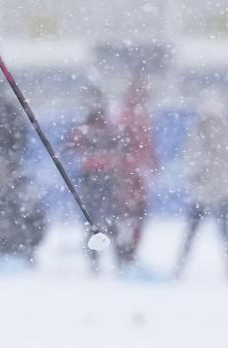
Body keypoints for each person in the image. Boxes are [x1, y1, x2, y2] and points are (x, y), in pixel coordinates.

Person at [173, 92, 228, 279]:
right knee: (196, 232)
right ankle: (180, 268)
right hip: (204, 192)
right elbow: (190, 162)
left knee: (223, 233)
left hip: (221, 191)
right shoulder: (198, 135)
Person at [0, 74, 47, 264]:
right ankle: (2, 251)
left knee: (15, 210)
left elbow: (18, 138)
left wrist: (7, 161)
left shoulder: (6, 110)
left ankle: (20, 250)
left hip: (9, 166)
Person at [67, 85, 123, 274]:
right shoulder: (84, 126)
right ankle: (94, 262)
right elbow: (72, 147)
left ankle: (118, 260)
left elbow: (118, 145)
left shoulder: (108, 125)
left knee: (112, 219)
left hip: (107, 176)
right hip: (90, 176)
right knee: (91, 221)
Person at [115, 69, 159, 266]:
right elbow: (123, 143)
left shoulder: (144, 114)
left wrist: (152, 163)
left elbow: (148, 144)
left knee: (137, 217)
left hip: (139, 173)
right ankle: (124, 255)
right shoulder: (125, 115)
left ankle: (130, 254)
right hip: (127, 174)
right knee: (126, 216)